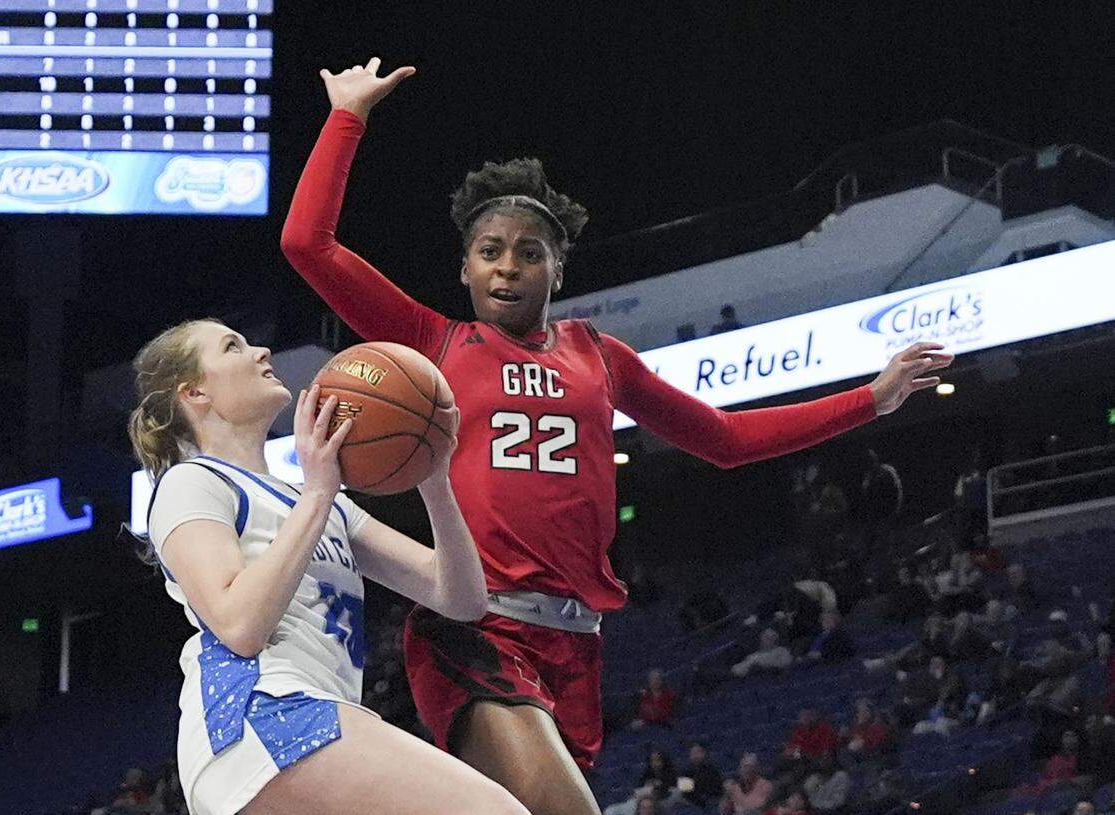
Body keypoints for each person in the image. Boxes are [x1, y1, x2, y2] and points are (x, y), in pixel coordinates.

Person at [281, 56, 954, 815]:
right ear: (464, 269)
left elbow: (725, 438)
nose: (508, 267)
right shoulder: (432, 343)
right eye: (489, 251)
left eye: (529, 252)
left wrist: (872, 398)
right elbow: (309, 243)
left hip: (577, 646)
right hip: (474, 628)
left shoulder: (600, 356)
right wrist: (347, 117)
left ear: (558, 268)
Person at [129, 320, 527, 815]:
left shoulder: (326, 506)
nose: (261, 349)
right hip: (262, 715)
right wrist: (319, 491)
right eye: (234, 346)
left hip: (309, 720)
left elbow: (461, 598)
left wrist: (434, 478)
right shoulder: (193, 482)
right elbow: (238, 625)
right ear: (194, 393)